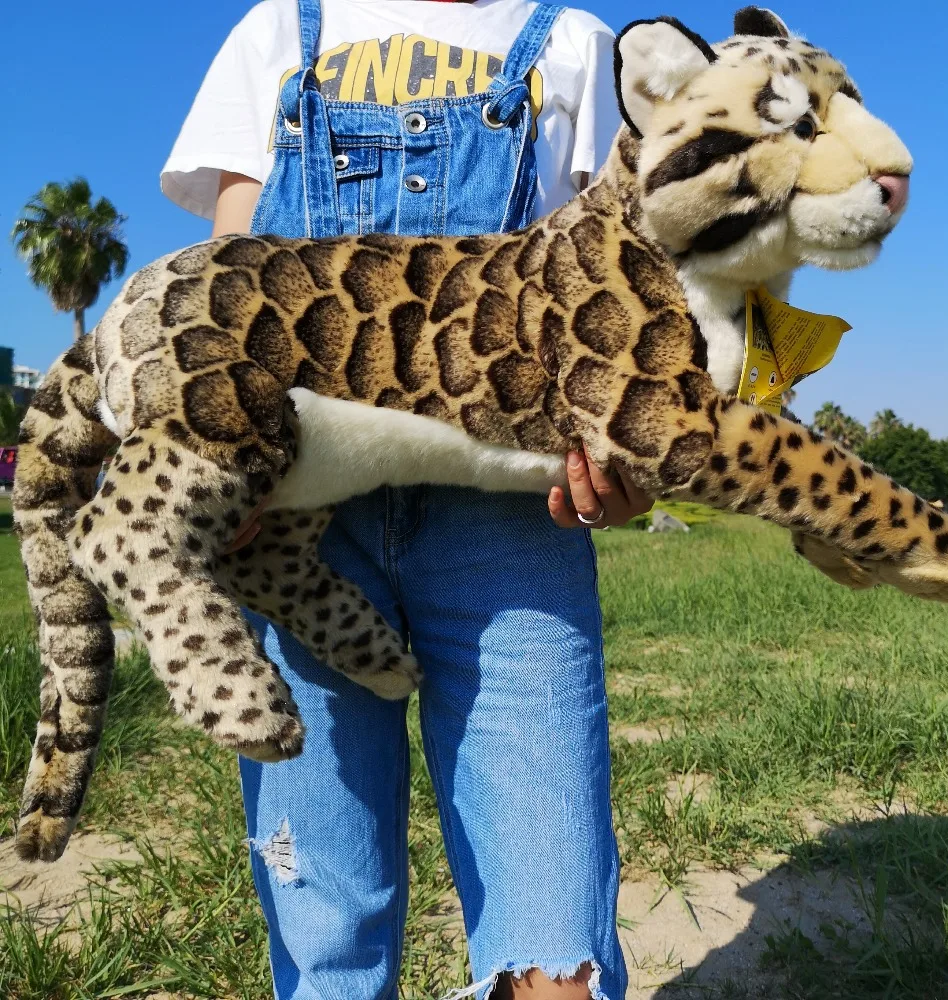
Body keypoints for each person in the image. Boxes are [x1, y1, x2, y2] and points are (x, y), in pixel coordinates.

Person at [161, 1, 651, 997]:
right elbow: (227, 280)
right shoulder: (279, 32)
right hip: (302, 537)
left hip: (511, 531)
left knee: (554, 937)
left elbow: (622, 296)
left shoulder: (575, 45)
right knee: (326, 925)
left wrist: (629, 462)